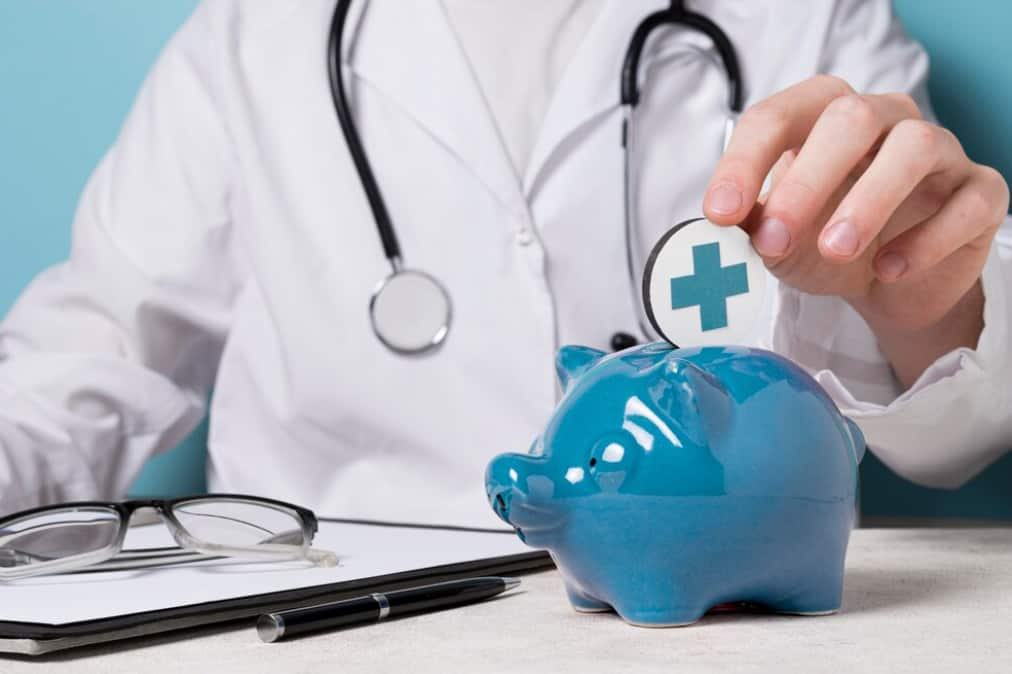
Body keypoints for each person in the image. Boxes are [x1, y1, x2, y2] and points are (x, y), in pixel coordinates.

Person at [1, 0, 1009, 527]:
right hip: (333, 626)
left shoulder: (804, 18)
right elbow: (87, 357)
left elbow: (949, 431)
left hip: (698, 627)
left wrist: (918, 298)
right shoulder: (254, 34)